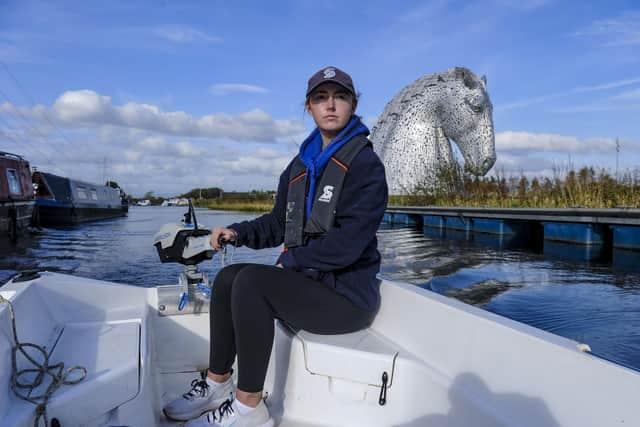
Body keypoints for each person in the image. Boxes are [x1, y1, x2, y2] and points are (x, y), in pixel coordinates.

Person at [163, 66, 388, 427]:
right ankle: (217, 384)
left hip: (347, 298)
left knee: (253, 282)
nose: (331, 105)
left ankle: (250, 408)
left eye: (340, 97)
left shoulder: (366, 165)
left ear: (352, 104)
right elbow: (277, 224)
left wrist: (293, 261)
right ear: (309, 107)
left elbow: (351, 242)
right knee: (228, 279)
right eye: (321, 98)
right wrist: (235, 232)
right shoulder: (299, 165)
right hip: (309, 285)